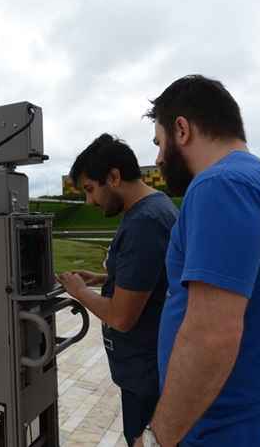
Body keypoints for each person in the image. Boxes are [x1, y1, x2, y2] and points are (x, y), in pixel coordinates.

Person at [135, 75, 260, 446]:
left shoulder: (220, 186)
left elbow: (211, 335)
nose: (158, 158)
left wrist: (159, 439)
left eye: (159, 143)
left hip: (236, 433)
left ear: (182, 129)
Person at [57, 134, 178, 445]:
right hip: (148, 369)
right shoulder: (155, 207)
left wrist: (80, 291)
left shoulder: (144, 223)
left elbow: (122, 317)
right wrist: (101, 278)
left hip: (147, 376)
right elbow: (151, 277)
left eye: (90, 189)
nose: (89, 201)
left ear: (113, 176)